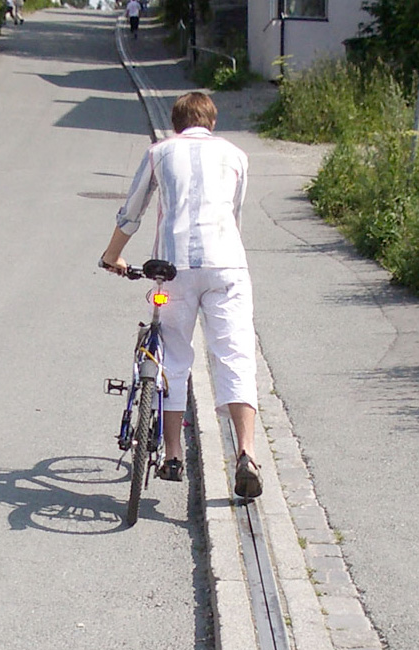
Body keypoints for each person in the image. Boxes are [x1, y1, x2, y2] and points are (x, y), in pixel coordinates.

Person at [100, 92, 263, 499]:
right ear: (211, 121)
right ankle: (246, 454)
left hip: (173, 268)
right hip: (226, 265)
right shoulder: (237, 156)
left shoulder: (159, 153)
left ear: (175, 123)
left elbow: (132, 211)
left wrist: (112, 255)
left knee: (172, 356)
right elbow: (234, 214)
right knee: (235, 355)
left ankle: (172, 455)